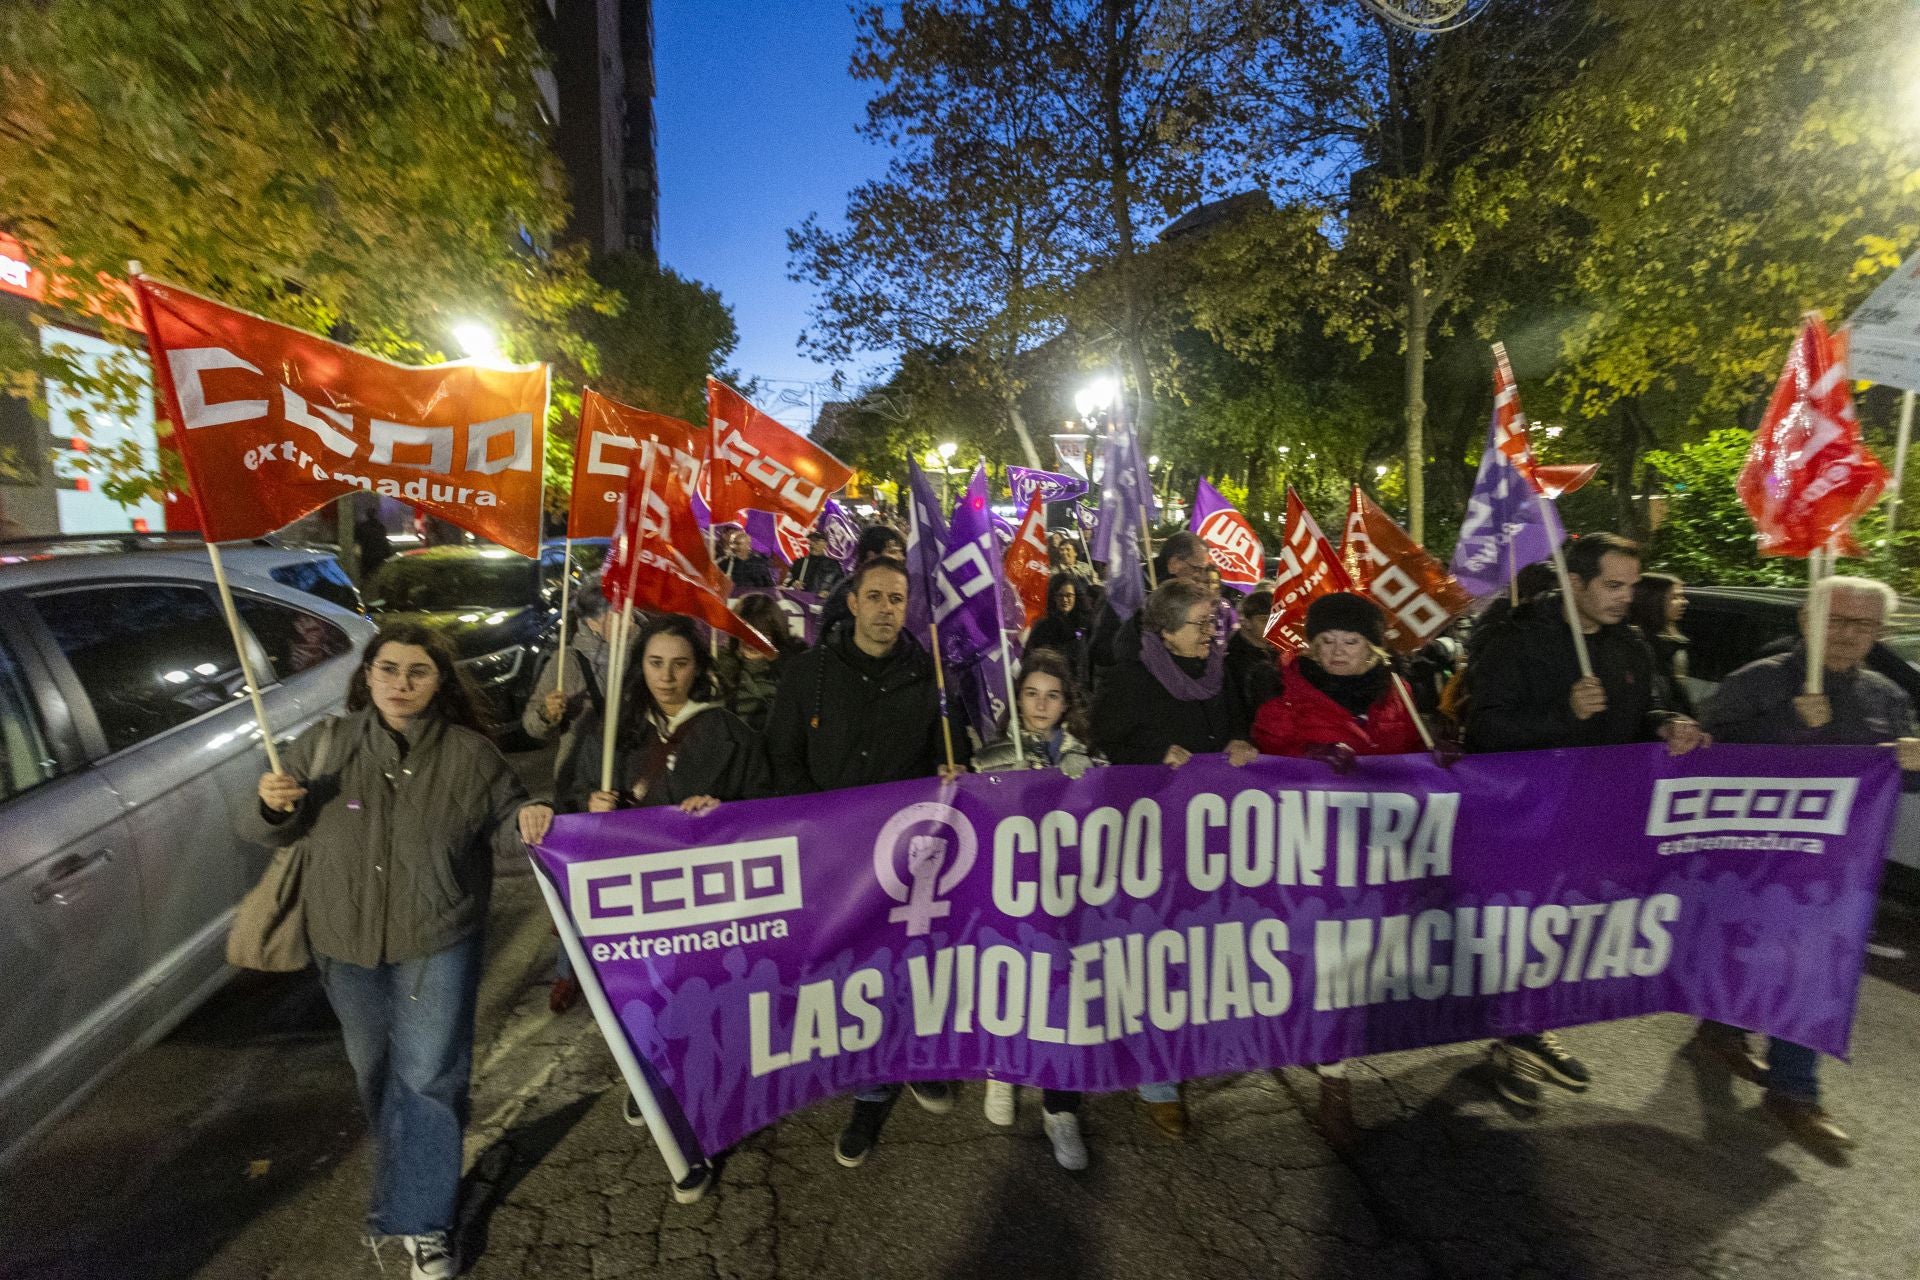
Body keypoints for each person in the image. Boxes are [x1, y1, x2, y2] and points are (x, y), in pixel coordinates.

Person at [242, 624, 553, 1280]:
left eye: (418, 672)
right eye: (389, 669)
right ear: (368, 675)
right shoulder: (324, 745)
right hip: (344, 943)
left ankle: (426, 1220)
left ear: (440, 681)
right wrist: (271, 806)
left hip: (436, 939)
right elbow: (270, 828)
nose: (401, 684)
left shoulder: (471, 756)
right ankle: (418, 1175)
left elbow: (510, 821)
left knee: (432, 1078)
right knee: (379, 1073)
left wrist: (532, 817)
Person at [1465, 532, 1709, 1107]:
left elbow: (1636, 715)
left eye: (1631, 586)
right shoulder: (1518, 637)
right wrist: (1563, 714)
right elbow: (1485, 729)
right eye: (1613, 585)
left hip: (1596, 816)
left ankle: (1519, 1030)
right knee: (1523, 931)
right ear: (1575, 583)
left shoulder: (1631, 645)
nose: (1626, 598)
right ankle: (1518, 1039)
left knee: (1561, 932)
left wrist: (1663, 725)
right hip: (1523, 816)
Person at [1689, 574, 1920, 1155]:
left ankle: (1794, 1091)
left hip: (1832, 872)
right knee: (1744, 951)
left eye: (1865, 625)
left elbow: (1895, 773)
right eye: (1838, 620)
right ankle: (1721, 1026)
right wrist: (1792, 728)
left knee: (1814, 967)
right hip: (1752, 862)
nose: (1850, 635)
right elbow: (1698, 754)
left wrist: (1912, 759)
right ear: (1805, 621)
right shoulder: (1758, 682)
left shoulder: (1883, 695)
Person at [764, 557, 969, 1166]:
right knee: (854, 979)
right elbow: (783, 760)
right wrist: (819, 827)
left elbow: (951, 756)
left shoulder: (931, 679)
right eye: (875, 597)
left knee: (909, 971)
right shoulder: (808, 676)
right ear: (852, 603)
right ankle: (869, 1088)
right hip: (832, 859)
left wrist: (954, 773)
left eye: (897, 598)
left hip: (908, 859)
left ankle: (913, 1065)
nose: (886, 609)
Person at [564, 612, 769, 1203]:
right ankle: (654, 1080)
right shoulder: (610, 732)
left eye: (680, 663)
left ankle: (705, 1123)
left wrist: (725, 810)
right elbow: (567, 804)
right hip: (638, 906)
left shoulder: (729, 732)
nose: (667, 676)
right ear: (639, 665)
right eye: (655, 662)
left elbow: (768, 808)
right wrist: (589, 802)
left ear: (698, 668)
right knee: (648, 1000)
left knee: (708, 1010)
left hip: (708, 904)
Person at [1249, 593, 1425, 1144]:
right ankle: (1334, 1086)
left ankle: (1327, 1056)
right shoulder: (1285, 694)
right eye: (1325, 642)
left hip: (1380, 855)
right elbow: (1259, 764)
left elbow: (1415, 754)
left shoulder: (1400, 692)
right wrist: (1309, 761)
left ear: (1373, 645)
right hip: (1313, 858)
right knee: (1329, 968)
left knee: (1364, 967)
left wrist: (1439, 755)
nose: (1336, 652)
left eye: (1349, 641)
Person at [1091, 578, 1260, 1138]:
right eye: (1200, 624)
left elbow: (1239, 725)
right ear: (1164, 631)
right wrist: (1151, 754)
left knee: (1209, 952)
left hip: (1217, 842)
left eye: (1214, 622)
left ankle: (1203, 1047)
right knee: (1160, 958)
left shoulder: (1220, 673)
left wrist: (1240, 741)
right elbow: (1103, 741)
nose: (1211, 633)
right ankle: (1158, 1080)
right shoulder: (1131, 679)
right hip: (1153, 841)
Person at [971, 649, 1100, 1170]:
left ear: (1067, 703)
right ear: (1016, 697)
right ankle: (1001, 1072)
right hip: (1007, 899)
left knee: (1061, 1000)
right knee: (1005, 982)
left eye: (1053, 695)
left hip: (1065, 901)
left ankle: (1059, 1109)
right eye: (1031, 693)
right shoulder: (989, 756)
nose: (1041, 704)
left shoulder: (1086, 757)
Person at [521, 575, 630, 1012]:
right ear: (595, 620)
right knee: (577, 888)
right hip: (575, 787)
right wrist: (548, 714)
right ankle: (569, 972)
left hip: (625, 779)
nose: (627, 618)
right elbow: (531, 725)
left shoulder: (639, 653)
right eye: (617, 611)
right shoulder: (567, 661)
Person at [1090, 529, 1212, 677]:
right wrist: (1140, 632)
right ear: (1174, 564)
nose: (1202, 578)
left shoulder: (1190, 598)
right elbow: (1101, 652)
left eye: (1204, 570)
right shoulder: (1127, 591)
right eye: (1197, 569)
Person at [714, 593, 807, 732]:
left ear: (776, 634)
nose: (752, 642)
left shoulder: (795, 670)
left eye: (761, 635)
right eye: (746, 633)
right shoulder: (722, 667)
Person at [816, 524, 907, 639]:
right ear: (872, 556)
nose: (901, 558)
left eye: (896, 599)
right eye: (893, 552)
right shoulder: (847, 591)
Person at [1628, 571, 1695, 716]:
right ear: (1653, 601)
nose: (1684, 602)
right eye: (1675, 597)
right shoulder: (1640, 643)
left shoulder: (1673, 642)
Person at [1026, 573, 1093, 687]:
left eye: (1069, 595)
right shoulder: (1043, 626)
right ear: (1054, 597)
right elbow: (1031, 658)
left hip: (1079, 688)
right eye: (1060, 595)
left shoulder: (1085, 625)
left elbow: (1090, 660)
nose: (1065, 599)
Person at [1224, 584, 1281, 714]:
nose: (1272, 626)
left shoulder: (1278, 652)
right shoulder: (1234, 661)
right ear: (1247, 622)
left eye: (1276, 620)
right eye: (1264, 620)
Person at [783, 529, 846, 596]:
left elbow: (842, 588)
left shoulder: (834, 565)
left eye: (817, 541)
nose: (812, 544)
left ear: (825, 544)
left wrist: (829, 593)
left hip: (820, 605)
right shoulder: (799, 562)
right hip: (799, 602)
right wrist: (793, 583)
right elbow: (786, 580)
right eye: (811, 540)